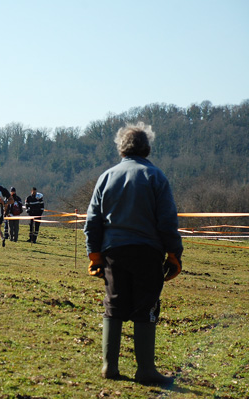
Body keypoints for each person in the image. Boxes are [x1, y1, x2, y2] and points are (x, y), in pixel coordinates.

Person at [84, 122, 183, 385]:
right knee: (146, 306)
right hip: (147, 253)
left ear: (121, 148)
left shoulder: (106, 177)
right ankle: (146, 370)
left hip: (113, 252)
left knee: (113, 304)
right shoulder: (156, 177)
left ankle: (109, 367)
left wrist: (94, 256)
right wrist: (174, 254)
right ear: (147, 148)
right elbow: (167, 221)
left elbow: (92, 221)